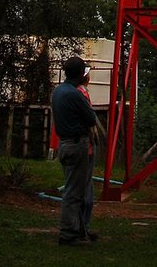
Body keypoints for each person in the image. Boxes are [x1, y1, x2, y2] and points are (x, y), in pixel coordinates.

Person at [50, 55, 99, 246]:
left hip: (64, 144)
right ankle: (69, 234)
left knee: (74, 188)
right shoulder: (75, 94)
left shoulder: (58, 91)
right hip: (76, 145)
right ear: (80, 74)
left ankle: (79, 230)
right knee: (74, 192)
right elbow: (90, 118)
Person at [77, 64, 99, 236]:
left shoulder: (73, 92)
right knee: (85, 189)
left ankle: (81, 227)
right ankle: (82, 227)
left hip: (79, 145)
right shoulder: (82, 93)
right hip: (86, 148)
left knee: (81, 187)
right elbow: (90, 119)